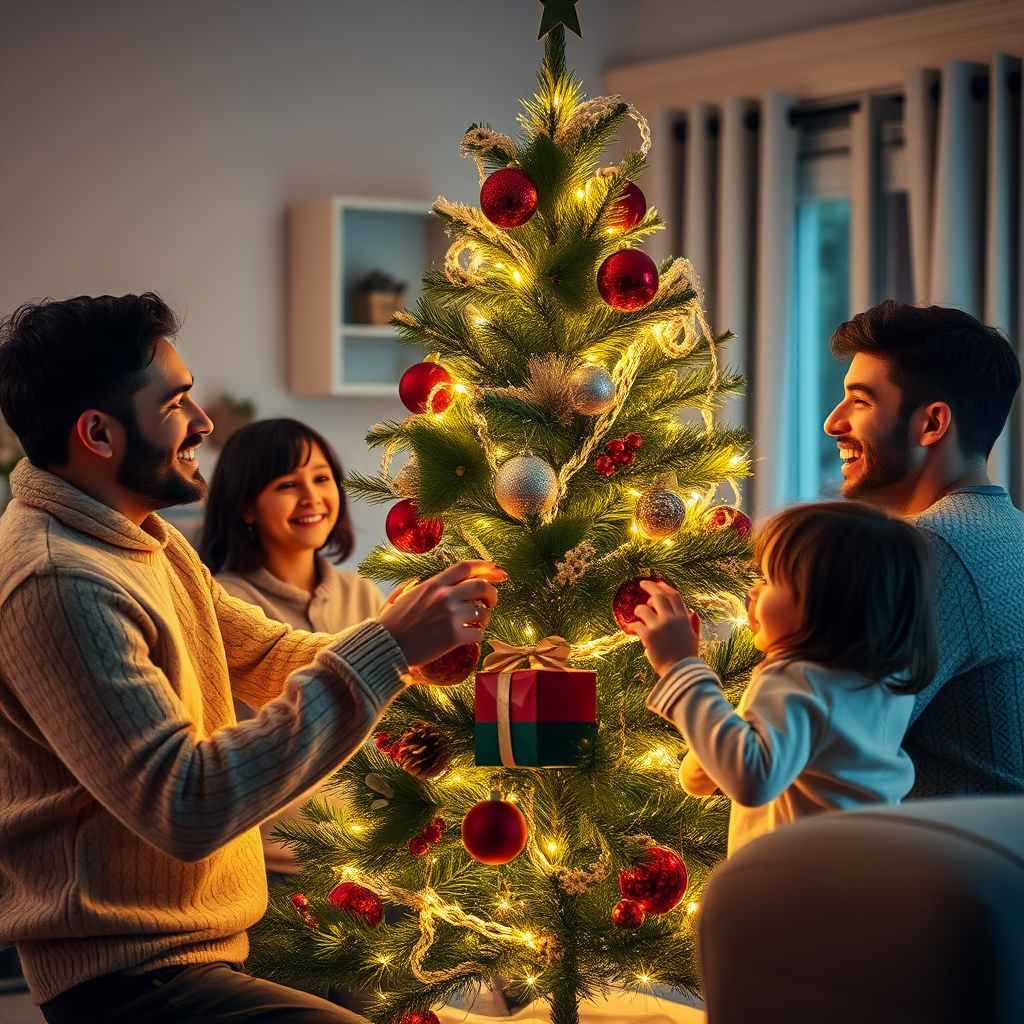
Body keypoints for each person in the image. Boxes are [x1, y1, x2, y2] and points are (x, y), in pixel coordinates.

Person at [0, 292, 505, 1024]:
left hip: (199, 952)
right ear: (99, 435)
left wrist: (412, 649)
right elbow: (187, 804)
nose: (204, 423)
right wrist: (388, 647)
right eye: (176, 403)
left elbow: (266, 652)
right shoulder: (57, 577)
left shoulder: (144, 536)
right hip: (132, 980)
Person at [635, 502, 937, 854]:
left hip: (797, 889)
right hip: (865, 874)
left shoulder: (795, 677)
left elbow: (752, 778)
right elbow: (700, 778)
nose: (753, 591)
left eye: (768, 580)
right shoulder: (885, 681)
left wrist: (681, 666)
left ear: (822, 605)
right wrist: (710, 750)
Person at [823, 300, 1024, 797]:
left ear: (932, 424)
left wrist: (683, 672)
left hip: (937, 869)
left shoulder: (924, 550)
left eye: (861, 401)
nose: (833, 421)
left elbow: (813, 747)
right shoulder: (1011, 533)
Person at [199, 418, 384, 879]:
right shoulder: (226, 606)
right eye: (287, 484)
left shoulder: (361, 595)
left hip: (374, 862)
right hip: (275, 870)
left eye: (321, 478)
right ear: (246, 507)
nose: (311, 497)